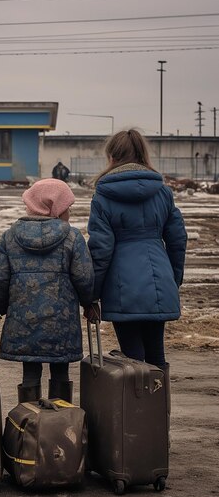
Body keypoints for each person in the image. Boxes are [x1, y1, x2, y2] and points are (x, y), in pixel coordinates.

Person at [85, 128, 187, 380]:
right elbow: (177, 240)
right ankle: (159, 415)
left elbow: (101, 249)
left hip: (122, 287)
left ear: (112, 158)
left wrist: (92, 295)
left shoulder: (103, 196)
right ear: (143, 155)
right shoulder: (163, 192)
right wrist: (173, 280)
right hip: (159, 280)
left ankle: (136, 416)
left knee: (132, 358)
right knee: (157, 356)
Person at [0, 178, 94, 404]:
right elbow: (84, 277)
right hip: (62, 324)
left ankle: (28, 425)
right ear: (53, 207)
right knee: (60, 372)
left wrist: (1, 308)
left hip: (23, 321)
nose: (69, 212)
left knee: (30, 372)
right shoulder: (72, 237)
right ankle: (61, 427)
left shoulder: (10, 237)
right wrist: (89, 302)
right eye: (67, 207)